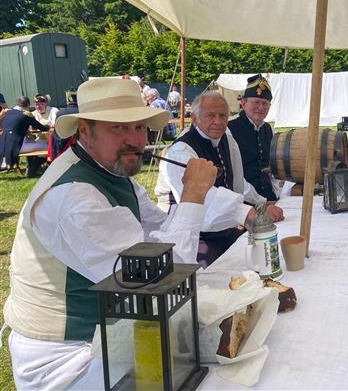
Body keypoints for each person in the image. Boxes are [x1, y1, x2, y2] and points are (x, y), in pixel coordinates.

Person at [3, 78, 218, 390]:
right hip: (65, 362)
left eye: (140, 127)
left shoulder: (110, 171)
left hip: (104, 338)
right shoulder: (75, 199)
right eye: (118, 128)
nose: (135, 140)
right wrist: (193, 195)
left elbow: (158, 230)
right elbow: (159, 279)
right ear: (85, 131)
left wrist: (192, 205)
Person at [155, 90, 285, 267]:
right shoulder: (181, 151)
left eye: (222, 115)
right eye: (210, 115)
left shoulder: (227, 139)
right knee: (218, 275)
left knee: (264, 257)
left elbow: (237, 183)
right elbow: (202, 197)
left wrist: (261, 203)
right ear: (194, 118)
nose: (217, 121)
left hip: (226, 229)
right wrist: (247, 213)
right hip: (194, 237)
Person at [228, 74, 280, 201]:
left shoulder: (269, 130)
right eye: (256, 102)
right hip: (242, 201)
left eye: (265, 103)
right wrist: (260, 201)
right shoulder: (229, 129)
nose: (261, 107)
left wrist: (277, 195)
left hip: (269, 197)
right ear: (243, 103)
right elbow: (232, 176)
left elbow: (273, 172)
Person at [0, 96, 49, 175]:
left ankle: (30, 166)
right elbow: (42, 128)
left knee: (31, 142)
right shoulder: (26, 114)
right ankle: (33, 167)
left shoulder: (7, 112)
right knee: (46, 146)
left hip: (3, 146)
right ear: (28, 105)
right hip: (17, 147)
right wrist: (48, 126)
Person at [51, 89, 79, 160]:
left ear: (68, 99)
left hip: (62, 144)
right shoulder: (82, 111)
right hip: (77, 144)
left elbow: (56, 132)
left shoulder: (60, 112)